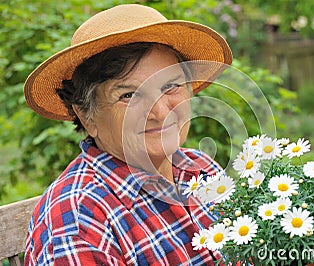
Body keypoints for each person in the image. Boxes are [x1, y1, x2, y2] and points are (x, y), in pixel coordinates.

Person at [23, 4, 232, 265]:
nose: (159, 111)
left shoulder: (200, 168)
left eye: (170, 86)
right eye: (129, 95)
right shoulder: (79, 223)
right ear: (87, 116)